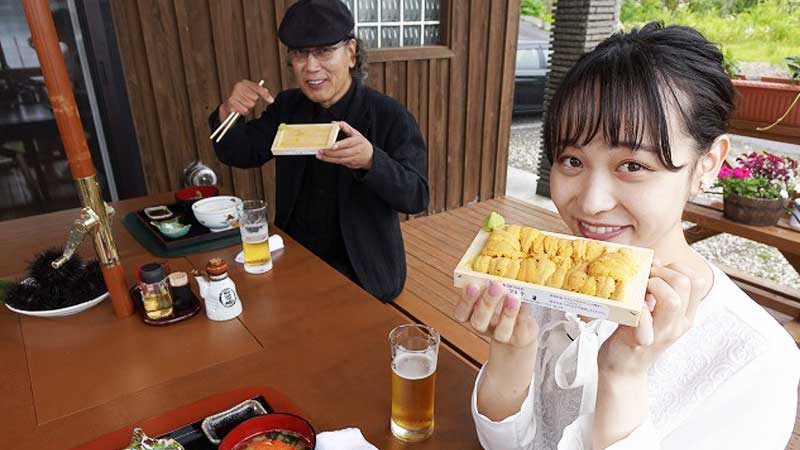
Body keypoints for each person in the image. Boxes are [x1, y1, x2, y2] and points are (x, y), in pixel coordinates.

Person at [454, 22, 800, 449]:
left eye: (633, 166)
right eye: (571, 160)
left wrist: (623, 377)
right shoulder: (541, 292)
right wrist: (513, 353)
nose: (591, 202)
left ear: (708, 164)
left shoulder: (757, 360)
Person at [209, 0, 429, 302]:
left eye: (324, 51)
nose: (311, 67)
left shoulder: (388, 115)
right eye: (300, 53)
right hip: (295, 257)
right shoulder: (287, 107)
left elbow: (417, 195)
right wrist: (228, 110)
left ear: (351, 53)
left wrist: (372, 161)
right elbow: (240, 153)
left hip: (363, 269)